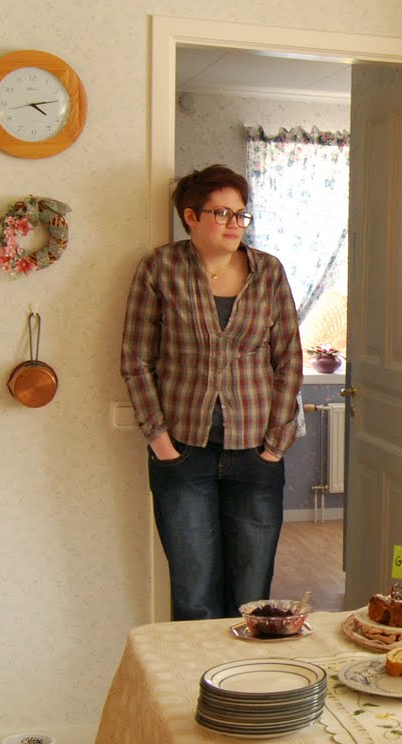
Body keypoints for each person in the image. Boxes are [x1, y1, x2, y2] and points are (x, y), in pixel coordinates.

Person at [121, 164, 303, 620]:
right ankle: (197, 671)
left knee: (252, 598)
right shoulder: (160, 268)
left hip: (256, 454)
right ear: (191, 216)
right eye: (222, 213)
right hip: (183, 452)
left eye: (241, 214)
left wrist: (275, 447)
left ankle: (248, 670)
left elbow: (289, 360)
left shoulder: (269, 272)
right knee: (193, 597)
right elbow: (136, 360)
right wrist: (160, 442)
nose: (234, 224)